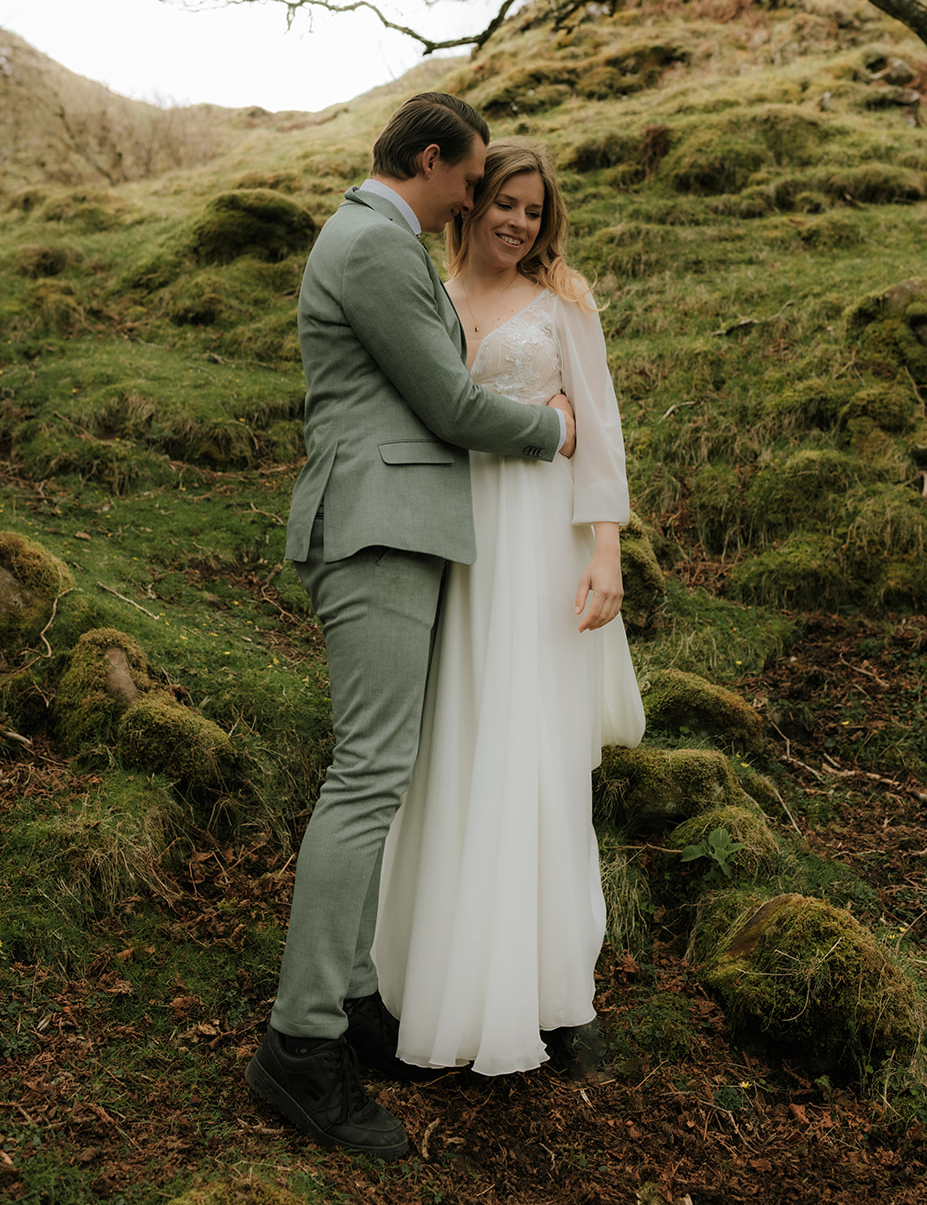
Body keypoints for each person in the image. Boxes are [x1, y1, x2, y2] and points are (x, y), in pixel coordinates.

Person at [246, 94, 576, 1159]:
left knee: (380, 773)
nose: (474, 202)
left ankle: (349, 1001)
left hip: (404, 528)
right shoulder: (374, 241)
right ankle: (299, 1047)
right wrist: (552, 430)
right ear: (429, 162)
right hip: (378, 529)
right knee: (366, 776)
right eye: (469, 182)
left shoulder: (379, 236)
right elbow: (446, 404)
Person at [371, 140, 646, 1077]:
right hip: (447, 539)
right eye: (504, 203)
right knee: (448, 746)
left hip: (538, 542)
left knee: (535, 754)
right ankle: (430, 981)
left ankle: (559, 998)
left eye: (534, 209)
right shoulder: (428, 294)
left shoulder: (564, 298)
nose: (519, 222)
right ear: (468, 200)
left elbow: (599, 429)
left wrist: (605, 555)